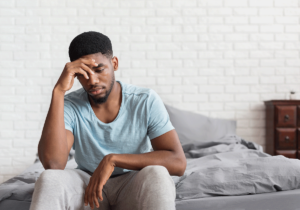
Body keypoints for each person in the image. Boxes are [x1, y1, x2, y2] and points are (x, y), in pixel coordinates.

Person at [29, 31, 186, 210]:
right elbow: (54, 164)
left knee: (157, 173)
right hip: (88, 185)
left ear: (114, 63)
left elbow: (178, 162)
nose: (92, 81)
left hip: (133, 182)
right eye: (83, 74)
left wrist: (113, 160)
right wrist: (58, 91)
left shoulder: (145, 100)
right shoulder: (70, 105)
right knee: (48, 178)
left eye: (98, 69)